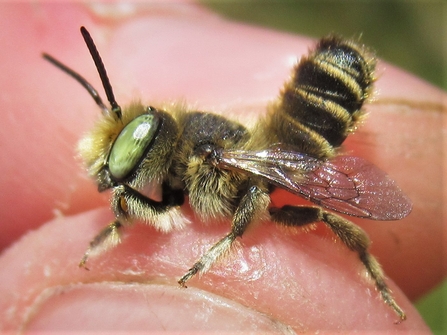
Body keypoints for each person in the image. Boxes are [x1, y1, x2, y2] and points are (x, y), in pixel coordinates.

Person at [0, 2, 443, 332]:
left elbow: (252, 191)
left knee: (305, 207)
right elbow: (135, 196)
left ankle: (376, 280)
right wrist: (117, 218)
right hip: (295, 107)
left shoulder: (212, 157)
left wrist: (223, 245)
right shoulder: (175, 163)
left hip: (304, 128)